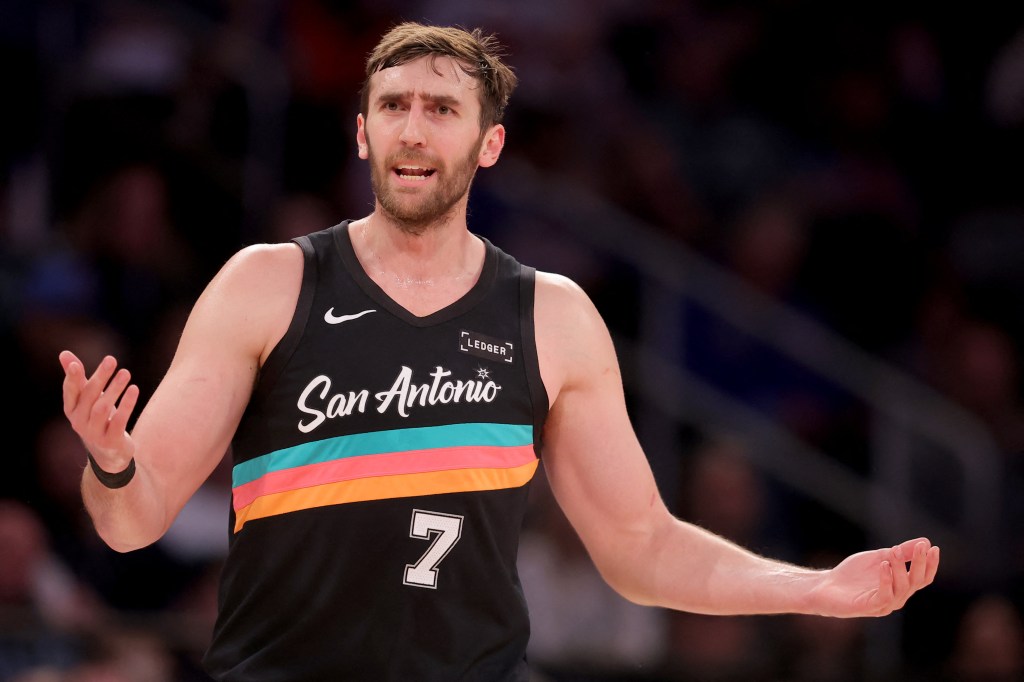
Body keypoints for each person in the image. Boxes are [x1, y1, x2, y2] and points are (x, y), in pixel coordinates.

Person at [59, 21, 941, 682]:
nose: (413, 130)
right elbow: (133, 522)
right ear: (361, 133)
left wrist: (816, 588)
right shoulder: (267, 283)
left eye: (441, 109)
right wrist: (108, 464)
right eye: (393, 107)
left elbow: (642, 548)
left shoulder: (551, 315)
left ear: (489, 145)